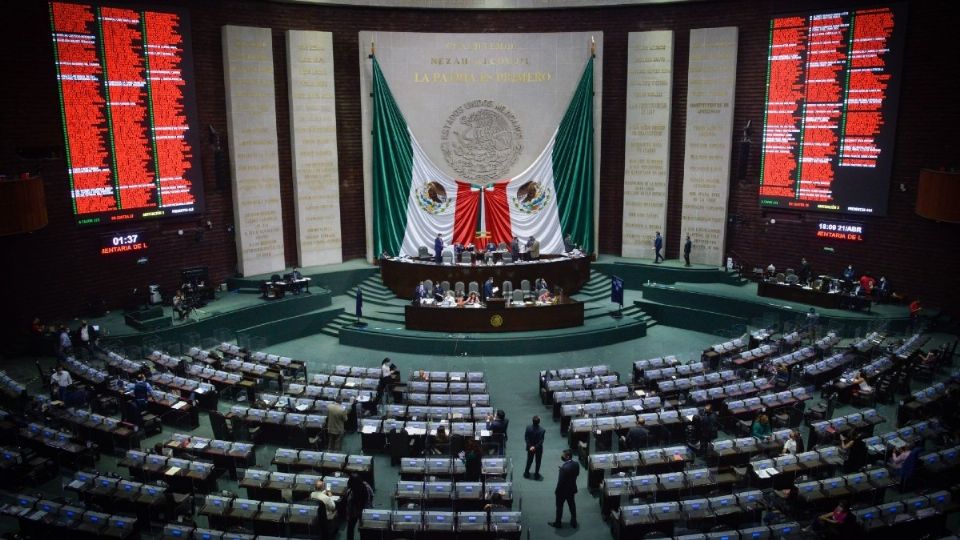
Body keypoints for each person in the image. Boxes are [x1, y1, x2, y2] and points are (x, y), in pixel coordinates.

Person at [549, 449, 579, 528]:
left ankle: (558, 523)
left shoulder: (563, 469)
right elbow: (576, 474)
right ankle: (574, 521)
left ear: (567, 456)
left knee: (559, 507)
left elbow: (560, 482)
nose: (562, 456)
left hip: (562, 491)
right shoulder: (576, 464)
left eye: (563, 455)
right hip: (571, 489)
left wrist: (556, 491)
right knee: (572, 505)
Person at [340, 473, 373, 540]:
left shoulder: (350, 492)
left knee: (350, 529)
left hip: (353, 512)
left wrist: (348, 516)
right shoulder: (366, 485)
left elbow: (348, 505)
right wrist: (370, 505)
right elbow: (372, 495)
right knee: (363, 529)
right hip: (364, 510)